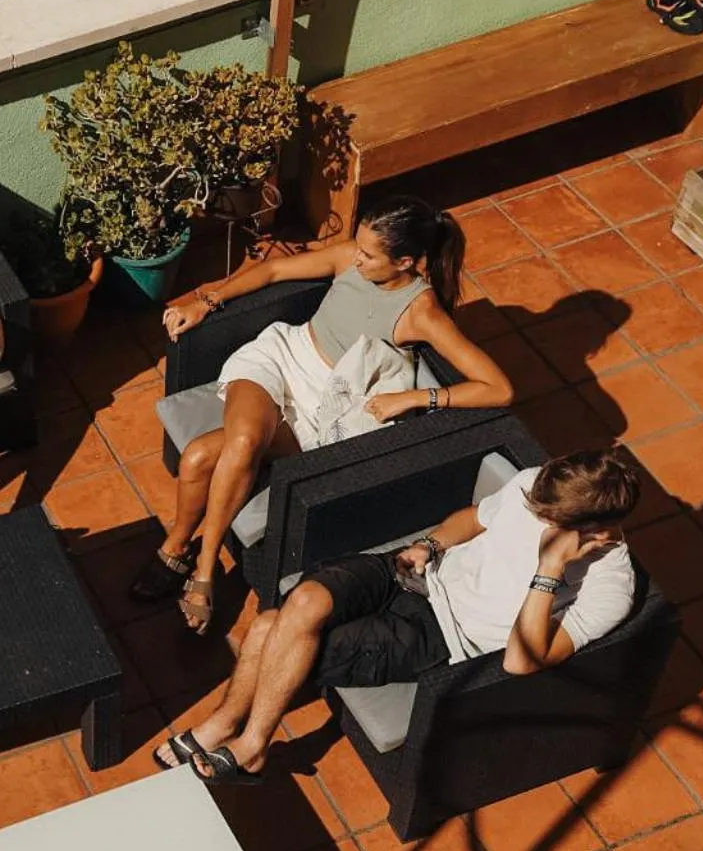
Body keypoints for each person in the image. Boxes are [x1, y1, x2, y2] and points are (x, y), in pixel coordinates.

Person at [135, 196, 514, 635]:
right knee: (241, 443)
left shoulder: (420, 312)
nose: (358, 258)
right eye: (359, 245)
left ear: (404, 262)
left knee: (201, 456)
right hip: (281, 360)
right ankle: (202, 571)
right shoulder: (348, 259)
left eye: (370, 255)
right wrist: (208, 300)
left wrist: (418, 398)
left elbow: (498, 387)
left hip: (327, 405)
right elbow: (274, 270)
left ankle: (176, 550)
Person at [154, 447, 641, 781]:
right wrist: (429, 544)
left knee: (266, 628)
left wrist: (550, 567)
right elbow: (473, 519)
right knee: (302, 602)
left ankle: (246, 737)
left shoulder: (608, 586)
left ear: (594, 531)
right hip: (411, 573)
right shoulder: (540, 485)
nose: (533, 515)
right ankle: (230, 731)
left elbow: (521, 661)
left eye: (546, 521)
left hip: (436, 632)